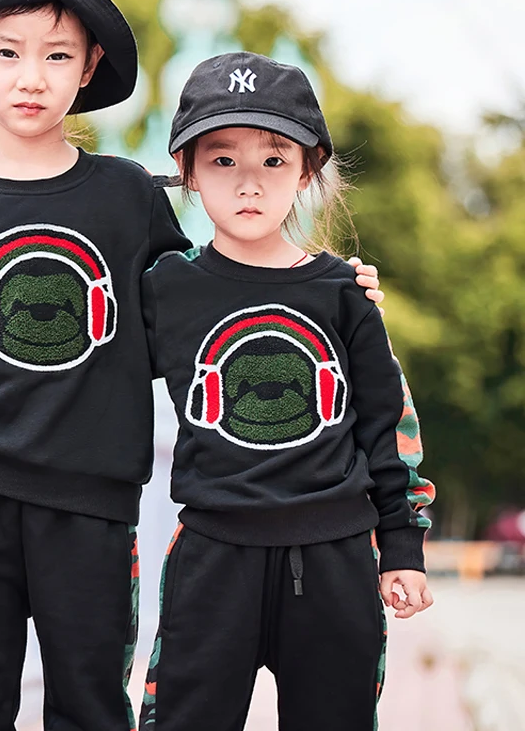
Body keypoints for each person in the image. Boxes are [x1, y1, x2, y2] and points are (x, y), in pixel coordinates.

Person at [0, 0, 383, 729]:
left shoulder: (129, 196)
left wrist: (326, 292)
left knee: (92, 709)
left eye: (57, 54)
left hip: (94, 511)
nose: (31, 76)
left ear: (90, 65)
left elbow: (211, 302)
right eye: (7, 52)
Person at [139, 51, 435, 731]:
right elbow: (92, 382)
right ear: (187, 171)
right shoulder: (165, 288)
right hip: (213, 553)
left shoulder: (344, 293)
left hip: (336, 558)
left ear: (307, 171)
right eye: (222, 160)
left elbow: (386, 422)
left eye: (274, 160)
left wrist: (403, 547)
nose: (249, 183)